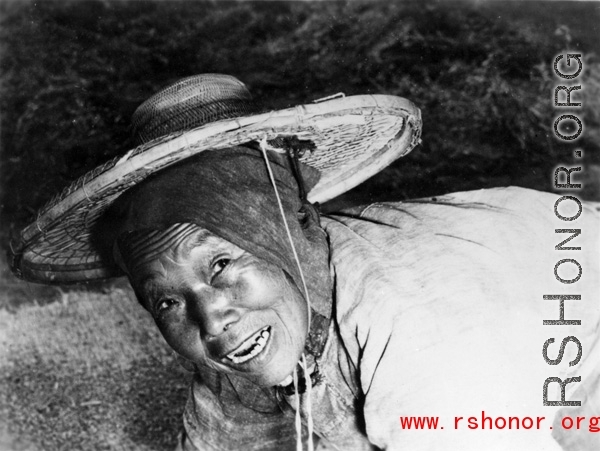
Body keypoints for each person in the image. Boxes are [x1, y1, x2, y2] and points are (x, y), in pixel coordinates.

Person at [10, 74, 600, 451]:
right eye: (165, 299)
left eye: (219, 265)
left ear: (281, 231)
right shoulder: (249, 325)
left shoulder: (424, 322)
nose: (211, 321)